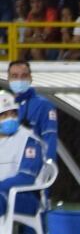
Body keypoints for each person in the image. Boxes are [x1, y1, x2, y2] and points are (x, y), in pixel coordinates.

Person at [0, 92, 45, 220]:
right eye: (4, 115)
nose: (10, 118)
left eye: (13, 113)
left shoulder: (28, 139)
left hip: (25, 197)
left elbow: (26, 178)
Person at [6, 62, 58, 161]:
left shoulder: (43, 105)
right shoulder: (4, 105)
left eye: (24, 76)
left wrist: (49, 164)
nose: (19, 80)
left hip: (31, 163)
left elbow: (50, 136)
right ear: (8, 78)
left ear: (30, 78)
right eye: (14, 76)